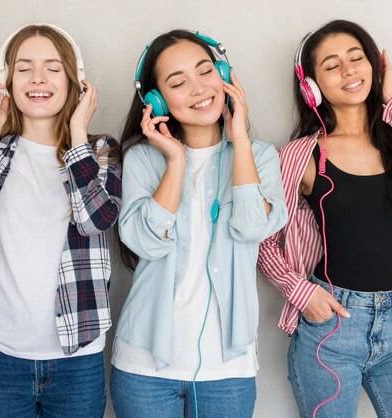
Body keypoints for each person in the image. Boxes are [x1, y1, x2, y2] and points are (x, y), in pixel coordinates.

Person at [258, 20, 392, 418]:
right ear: (311, 85)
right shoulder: (300, 156)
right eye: (332, 66)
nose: (350, 70)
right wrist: (302, 294)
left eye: (357, 58)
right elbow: (262, 240)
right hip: (330, 330)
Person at [0, 24, 121, 417]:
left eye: (53, 67)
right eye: (24, 67)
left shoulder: (99, 150)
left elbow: (96, 219)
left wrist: (78, 134)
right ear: (6, 79)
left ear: (75, 80)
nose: (38, 78)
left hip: (77, 358)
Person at [111, 29, 287, 418]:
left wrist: (239, 139)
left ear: (224, 74)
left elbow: (252, 226)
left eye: (205, 71)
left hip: (228, 369)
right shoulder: (143, 160)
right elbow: (146, 242)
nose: (197, 88)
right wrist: (175, 161)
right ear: (156, 100)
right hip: (144, 366)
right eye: (177, 82)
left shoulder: (260, 157)